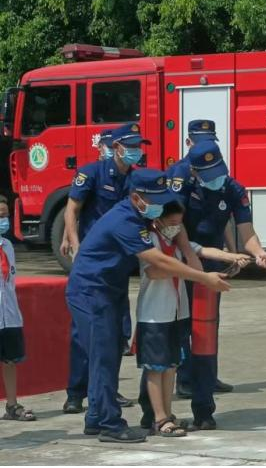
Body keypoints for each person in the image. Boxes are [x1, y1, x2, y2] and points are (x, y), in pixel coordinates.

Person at [66, 169, 231, 443]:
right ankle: (110, 424)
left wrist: (191, 253)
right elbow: (158, 261)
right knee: (104, 356)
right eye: (153, 199)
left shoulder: (140, 214)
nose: (158, 205)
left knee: (108, 354)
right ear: (136, 197)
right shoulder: (125, 221)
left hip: (111, 289)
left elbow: (177, 227)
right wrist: (203, 277)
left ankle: (96, 417)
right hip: (91, 291)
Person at [174, 140, 266, 430]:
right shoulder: (181, 187)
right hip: (178, 270)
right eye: (209, 173)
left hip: (210, 276)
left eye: (219, 170)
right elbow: (173, 227)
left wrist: (258, 251)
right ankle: (157, 412)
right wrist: (191, 258)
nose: (216, 178)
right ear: (194, 171)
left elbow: (246, 230)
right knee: (175, 338)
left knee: (205, 339)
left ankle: (204, 410)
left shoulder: (232, 190)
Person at [135, 201, 250, 436]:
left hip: (177, 313)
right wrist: (197, 274)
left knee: (171, 367)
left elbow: (205, 250)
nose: (177, 228)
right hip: (154, 315)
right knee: (156, 368)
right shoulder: (150, 243)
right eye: (172, 223)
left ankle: (167, 415)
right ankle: (159, 419)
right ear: (158, 221)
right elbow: (153, 272)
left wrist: (234, 257)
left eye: (180, 224)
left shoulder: (178, 245)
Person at [62, 122, 151, 414]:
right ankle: (76, 392)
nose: (136, 151)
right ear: (116, 147)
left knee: (116, 332)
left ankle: (105, 392)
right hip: (91, 264)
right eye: (132, 146)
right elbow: (72, 210)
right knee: (84, 333)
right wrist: (75, 246)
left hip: (118, 267)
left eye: (139, 146)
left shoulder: (136, 181)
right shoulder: (92, 172)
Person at [168, 120, 239, 397]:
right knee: (186, 321)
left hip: (213, 257)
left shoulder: (217, 174)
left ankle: (208, 374)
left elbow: (224, 218)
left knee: (210, 319)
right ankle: (185, 379)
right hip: (188, 259)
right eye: (200, 140)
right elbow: (175, 223)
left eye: (211, 140)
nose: (207, 145)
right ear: (189, 142)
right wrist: (190, 256)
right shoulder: (180, 175)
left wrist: (231, 252)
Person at [0, 196, 36, 422]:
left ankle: (12, 405)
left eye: (4, 216)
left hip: (9, 314)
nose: (3, 220)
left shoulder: (8, 246)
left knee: (10, 360)